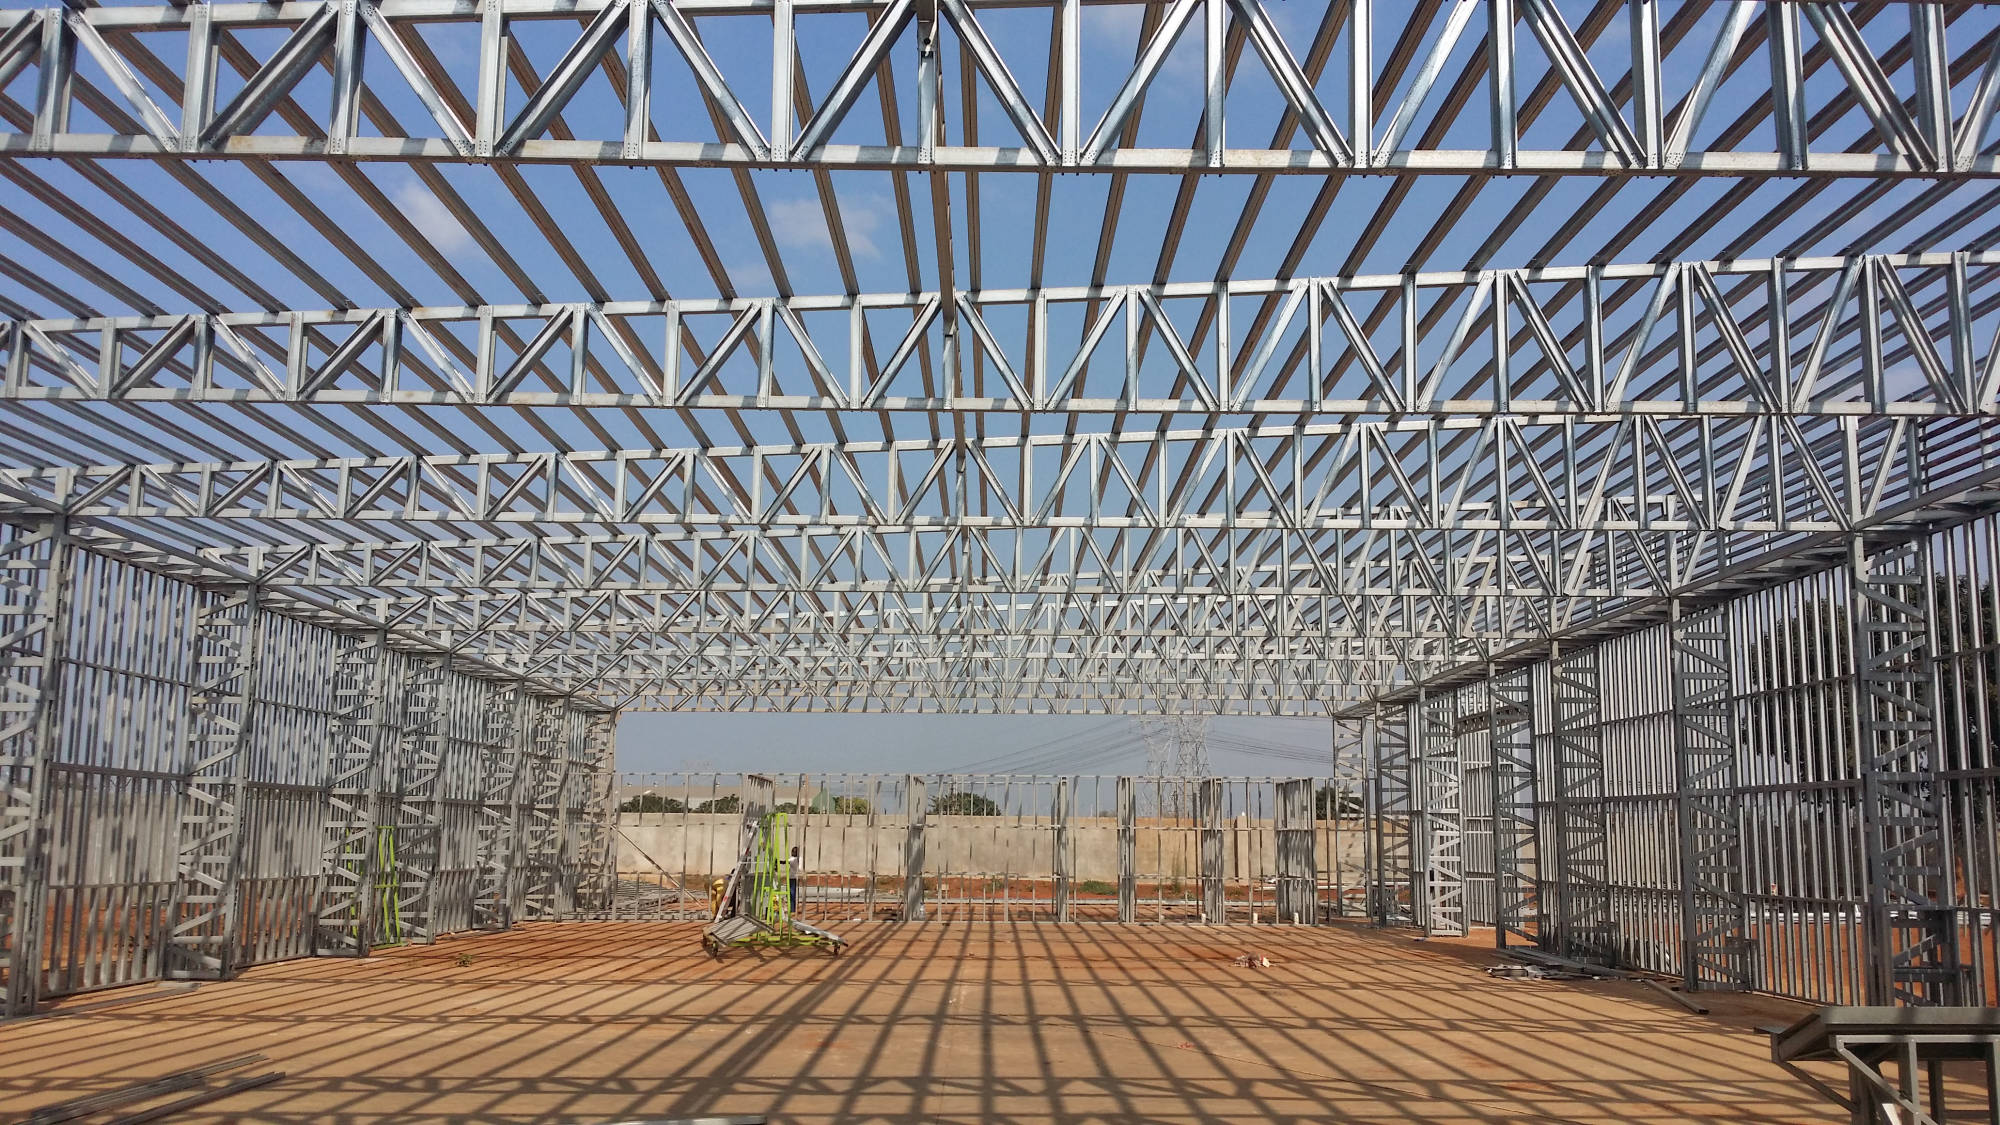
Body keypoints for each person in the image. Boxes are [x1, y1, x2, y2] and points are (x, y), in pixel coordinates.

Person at [788, 846, 803, 916]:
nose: (793, 853)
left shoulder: (799, 859)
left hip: (794, 877)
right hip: (790, 876)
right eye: (792, 851)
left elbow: (799, 868)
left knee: (793, 893)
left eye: (794, 851)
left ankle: (793, 909)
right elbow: (787, 861)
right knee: (790, 893)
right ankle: (792, 908)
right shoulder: (792, 858)